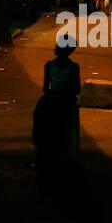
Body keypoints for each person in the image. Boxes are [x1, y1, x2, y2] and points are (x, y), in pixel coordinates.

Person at [33, 36, 82, 172]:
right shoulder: (74, 67)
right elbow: (77, 88)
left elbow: (45, 88)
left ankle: (43, 150)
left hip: (53, 99)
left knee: (40, 119)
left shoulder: (49, 66)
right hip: (67, 100)